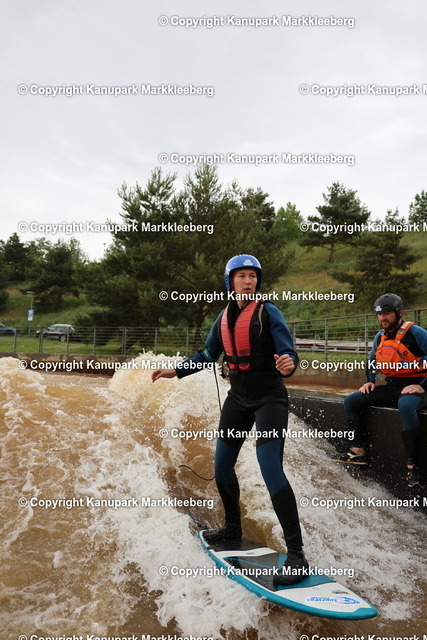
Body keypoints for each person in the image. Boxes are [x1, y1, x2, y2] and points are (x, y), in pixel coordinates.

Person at [152, 254, 308, 585]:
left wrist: (289, 363)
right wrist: (175, 370)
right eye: (242, 276)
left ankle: (297, 555)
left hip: (269, 399)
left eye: (253, 276)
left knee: (270, 469)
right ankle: (232, 528)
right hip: (238, 399)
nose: (248, 281)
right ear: (230, 282)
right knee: (222, 465)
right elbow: (208, 354)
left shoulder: (268, 312)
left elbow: (288, 351)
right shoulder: (223, 317)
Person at [336, 293, 427, 488]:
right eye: (379, 314)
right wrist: (370, 381)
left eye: (386, 313)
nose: (382, 318)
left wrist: (422, 385)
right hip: (392, 386)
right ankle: (358, 451)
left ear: (399, 312)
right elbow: (372, 361)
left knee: (406, 406)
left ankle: (413, 467)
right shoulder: (381, 336)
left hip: (418, 387)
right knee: (351, 401)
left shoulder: (416, 333)